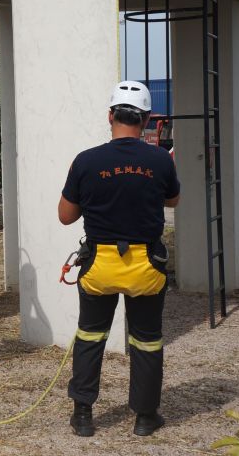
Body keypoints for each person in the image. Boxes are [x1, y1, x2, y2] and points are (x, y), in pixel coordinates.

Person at [58, 81, 181, 437]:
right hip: (146, 267)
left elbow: (66, 216)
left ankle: (83, 414)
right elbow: (173, 201)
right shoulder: (160, 159)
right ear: (145, 120)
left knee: (91, 336)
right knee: (146, 339)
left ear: (110, 115)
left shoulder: (86, 160)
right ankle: (145, 416)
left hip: (99, 266)